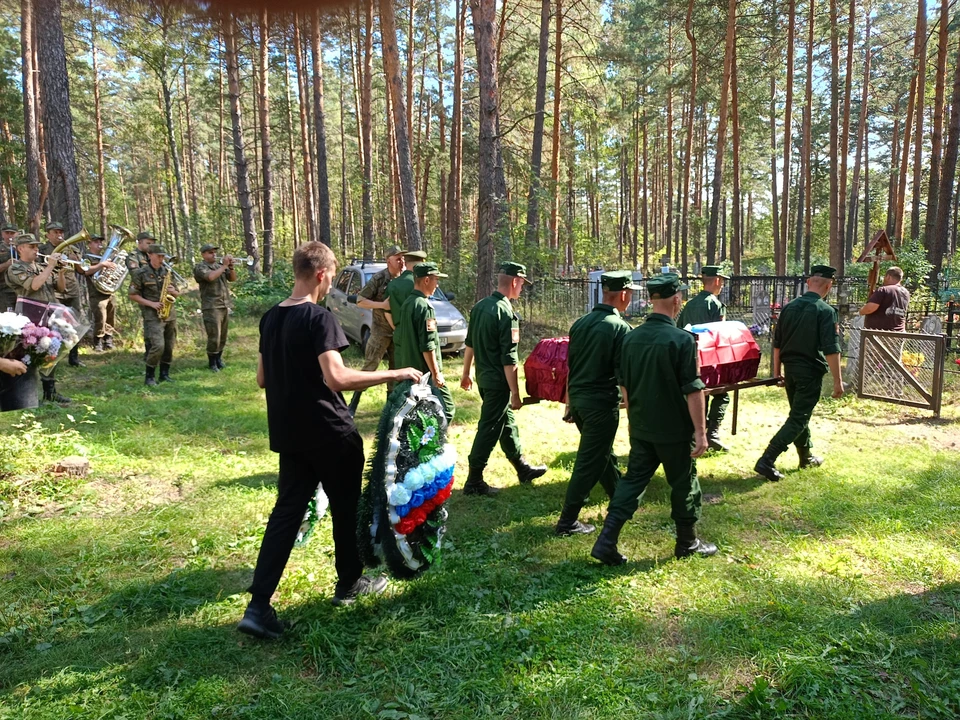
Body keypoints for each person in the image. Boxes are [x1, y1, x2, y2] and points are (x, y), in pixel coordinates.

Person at [237, 241, 423, 640]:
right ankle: (349, 584)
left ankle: (258, 605)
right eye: (332, 274)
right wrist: (394, 374)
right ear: (321, 274)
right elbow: (337, 378)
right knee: (344, 508)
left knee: (286, 512)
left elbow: (262, 378)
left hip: (290, 434)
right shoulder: (318, 318)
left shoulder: (270, 318)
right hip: (329, 432)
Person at [590, 273, 716, 565]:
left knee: (632, 482)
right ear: (676, 299)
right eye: (680, 296)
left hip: (643, 427)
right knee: (684, 483)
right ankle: (687, 542)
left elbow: (624, 385)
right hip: (673, 430)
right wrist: (701, 431)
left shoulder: (630, 338)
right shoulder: (682, 340)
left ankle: (606, 540)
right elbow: (693, 389)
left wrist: (635, 420)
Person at [555, 270, 638, 536]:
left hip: (579, 401)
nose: (631, 299)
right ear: (623, 294)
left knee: (602, 453)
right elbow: (624, 373)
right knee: (589, 462)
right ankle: (567, 521)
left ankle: (619, 499)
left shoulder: (580, 323)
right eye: (631, 294)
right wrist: (633, 409)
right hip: (600, 404)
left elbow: (571, 366)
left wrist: (569, 403)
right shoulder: (620, 328)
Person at [460, 262, 546, 496]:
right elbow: (510, 359)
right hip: (498, 383)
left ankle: (522, 468)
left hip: (483, 379)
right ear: (515, 281)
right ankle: (474, 481)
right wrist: (516, 394)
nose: (522, 289)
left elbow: (470, 344)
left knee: (506, 424)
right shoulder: (506, 313)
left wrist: (466, 373)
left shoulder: (480, 307)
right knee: (489, 428)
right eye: (522, 284)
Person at [754, 265, 844, 482]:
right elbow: (831, 348)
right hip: (809, 372)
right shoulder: (825, 311)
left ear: (808, 283)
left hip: (790, 371)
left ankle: (806, 456)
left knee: (799, 415)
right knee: (798, 418)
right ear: (829, 285)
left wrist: (777, 372)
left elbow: (777, 343)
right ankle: (767, 459)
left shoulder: (788, 308)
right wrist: (838, 382)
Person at [6, 233, 70, 404]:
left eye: (37, 246)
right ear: (20, 249)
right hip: (30, 316)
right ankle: (25, 395)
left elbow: (61, 288)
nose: (36, 250)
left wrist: (61, 272)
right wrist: (50, 266)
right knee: (30, 354)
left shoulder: (42, 267)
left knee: (50, 353)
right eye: (32, 247)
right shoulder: (16, 268)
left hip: (49, 313)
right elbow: (34, 285)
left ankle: (50, 392)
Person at [676, 265, 731, 452]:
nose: (722, 285)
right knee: (722, 394)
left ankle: (695, 434)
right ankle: (712, 433)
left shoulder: (689, 304)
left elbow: (680, 328)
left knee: (698, 395)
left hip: (690, 358)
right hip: (711, 359)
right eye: (722, 281)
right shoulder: (715, 305)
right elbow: (720, 335)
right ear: (716, 281)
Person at [348, 245, 406, 414]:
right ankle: (353, 405)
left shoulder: (406, 278)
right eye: (398, 258)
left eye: (402, 258)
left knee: (395, 371)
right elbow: (360, 300)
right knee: (370, 367)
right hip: (380, 331)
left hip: (398, 332)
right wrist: (381, 305)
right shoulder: (379, 279)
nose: (401, 261)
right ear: (389, 261)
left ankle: (391, 409)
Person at [395, 261, 455, 422]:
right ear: (426, 280)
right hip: (424, 374)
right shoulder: (424, 307)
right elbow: (427, 345)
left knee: (418, 412)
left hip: (410, 370)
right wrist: (436, 374)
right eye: (436, 279)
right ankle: (431, 443)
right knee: (446, 410)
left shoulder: (408, 303)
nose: (437, 284)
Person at [129, 244, 179, 386]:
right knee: (158, 346)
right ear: (150, 255)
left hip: (169, 313)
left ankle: (164, 374)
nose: (161, 259)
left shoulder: (167, 271)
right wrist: (152, 304)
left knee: (169, 345)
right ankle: (150, 376)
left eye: (163, 256)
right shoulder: (140, 273)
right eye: (159, 256)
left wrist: (172, 291)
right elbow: (133, 295)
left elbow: (177, 292)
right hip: (152, 314)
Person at [40, 221, 84, 367]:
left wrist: (75, 258)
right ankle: (53, 358)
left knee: (74, 324)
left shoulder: (71, 248)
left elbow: (81, 270)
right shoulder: (43, 249)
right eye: (55, 232)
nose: (59, 235)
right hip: (54, 291)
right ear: (48, 235)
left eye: (61, 232)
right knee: (55, 325)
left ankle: (74, 358)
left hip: (72, 290)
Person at [193, 243, 237, 372]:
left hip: (223, 304)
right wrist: (224, 266)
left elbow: (232, 279)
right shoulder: (200, 267)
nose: (214, 254)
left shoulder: (219, 266)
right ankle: (212, 362)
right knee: (214, 336)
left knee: (223, 335)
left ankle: (219, 359)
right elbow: (210, 277)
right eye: (210, 252)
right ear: (203, 254)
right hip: (211, 306)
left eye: (214, 252)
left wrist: (231, 267)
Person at [385, 250, 427, 358]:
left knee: (402, 366)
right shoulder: (421, 283)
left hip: (400, 331)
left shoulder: (393, 284)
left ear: (406, 264)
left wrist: (397, 328)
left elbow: (387, 311)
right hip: (417, 331)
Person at [80, 234, 119, 352]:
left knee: (111, 314)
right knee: (100, 316)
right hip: (96, 292)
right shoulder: (86, 257)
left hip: (108, 291)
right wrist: (102, 265)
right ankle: (98, 341)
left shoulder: (105, 257)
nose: (99, 243)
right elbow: (86, 271)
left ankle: (109, 339)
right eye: (96, 241)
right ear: (89, 244)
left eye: (100, 241)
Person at [859, 266, 909, 331]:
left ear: (888, 276)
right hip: (899, 333)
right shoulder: (906, 292)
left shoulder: (884, 290)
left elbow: (869, 309)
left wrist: (861, 311)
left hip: (881, 334)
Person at [0, 222, 20, 312]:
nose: (9, 235)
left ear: (17, 234)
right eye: (7, 233)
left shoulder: (23, 247)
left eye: (12, 233)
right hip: (5, 289)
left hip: (22, 289)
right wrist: (6, 265)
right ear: (2, 234)